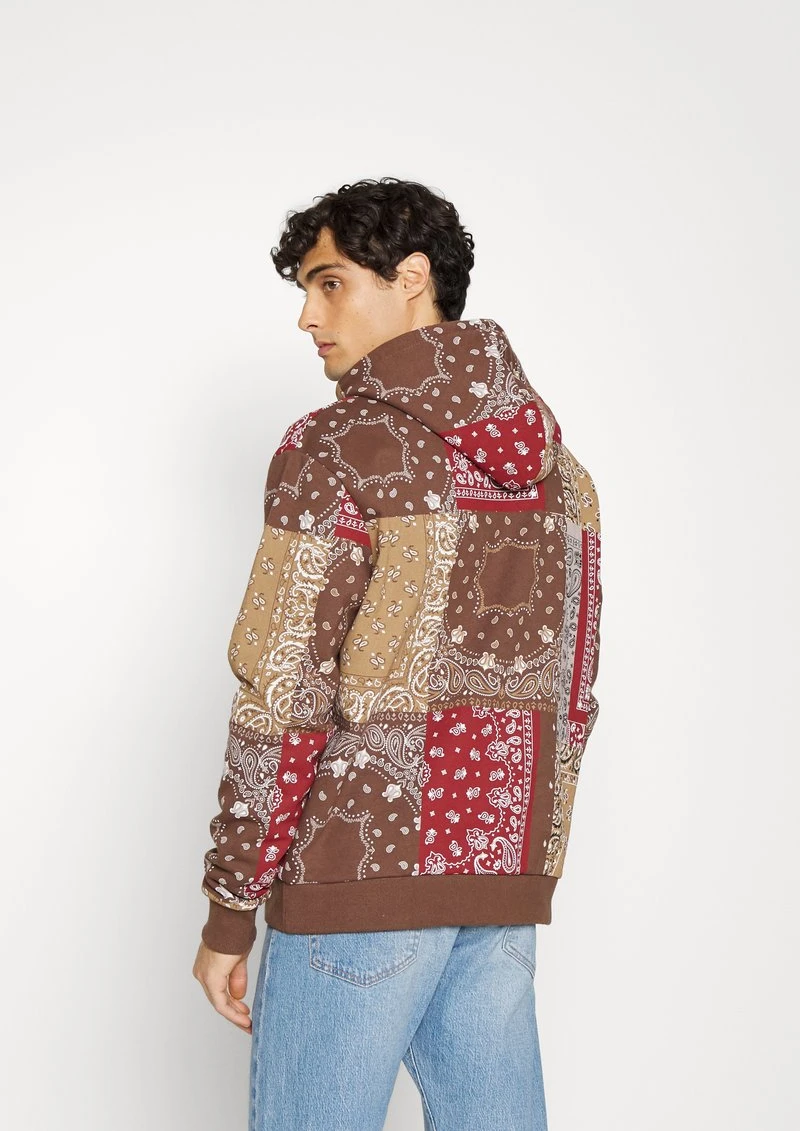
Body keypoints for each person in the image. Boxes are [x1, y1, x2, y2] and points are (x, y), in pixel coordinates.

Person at [192, 177, 603, 1130]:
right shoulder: (560, 469)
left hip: (356, 880)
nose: (307, 317)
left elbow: (283, 692)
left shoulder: (333, 447)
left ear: (412, 277)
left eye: (330, 283)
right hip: (497, 885)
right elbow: (572, 691)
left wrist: (229, 905)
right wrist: (514, 856)